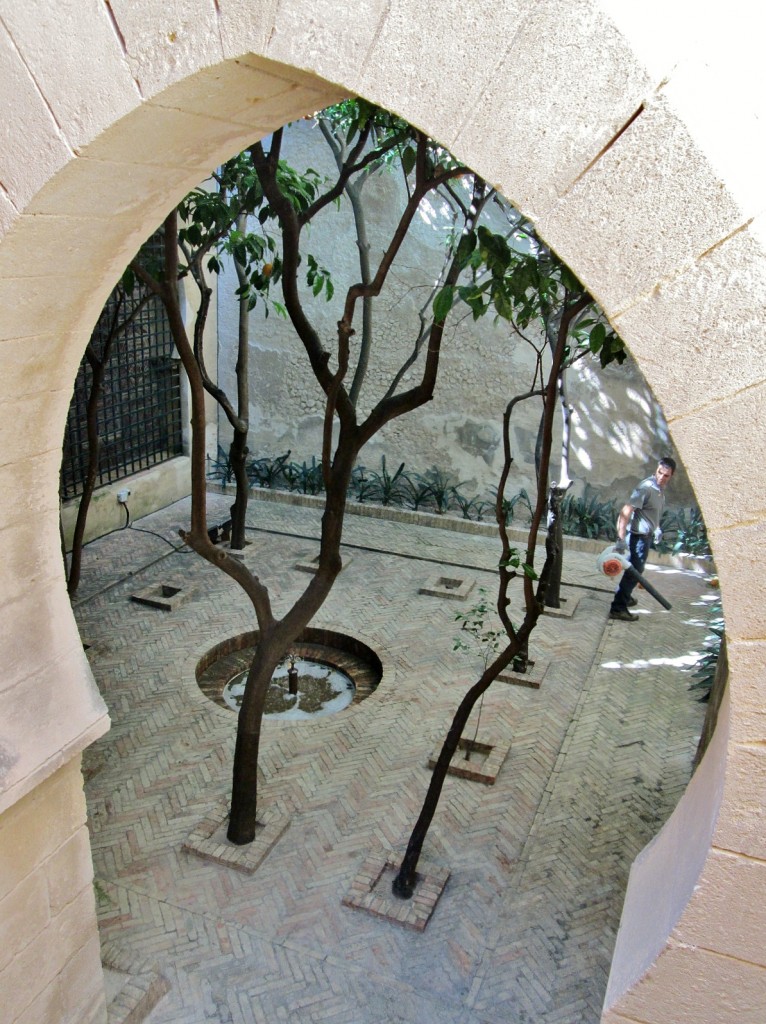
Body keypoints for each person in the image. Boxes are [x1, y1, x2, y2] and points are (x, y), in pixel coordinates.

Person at [609, 457, 676, 621]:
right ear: (656, 469)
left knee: (635, 570)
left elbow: (653, 512)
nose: (661, 477)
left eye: (666, 475)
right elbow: (626, 512)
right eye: (660, 473)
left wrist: (657, 527)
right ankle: (618, 608)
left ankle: (626, 596)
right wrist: (621, 538)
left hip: (646, 537)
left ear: (671, 476)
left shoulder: (659, 491)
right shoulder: (646, 488)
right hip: (638, 537)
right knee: (634, 573)